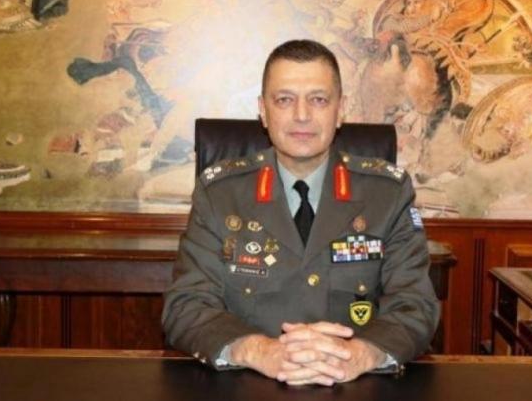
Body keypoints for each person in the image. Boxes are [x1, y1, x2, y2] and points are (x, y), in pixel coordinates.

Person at [162, 39, 439, 386]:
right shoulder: (219, 194)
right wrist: (260, 351)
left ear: (341, 110)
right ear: (263, 110)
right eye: (284, 100)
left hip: (353, 384)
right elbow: (186, 305)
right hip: (246, 385)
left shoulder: (387, 194)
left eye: (318, 99)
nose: (302, 115)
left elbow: (416, 305)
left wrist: (358, 354)